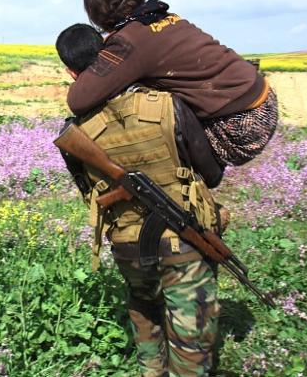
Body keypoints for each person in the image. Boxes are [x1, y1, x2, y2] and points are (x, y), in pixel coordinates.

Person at [56, 24, 223, 376]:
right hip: (182, 236)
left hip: (127, 240)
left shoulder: (78, 130)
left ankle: (151, 369)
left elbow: (89, 192)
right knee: (191, 327)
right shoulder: (165, 103)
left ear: (71, 72)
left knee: (145, 307)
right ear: (106, 54)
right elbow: (210, 170)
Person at [67, 0, 278, 168]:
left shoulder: (129, 41)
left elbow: (79, 100)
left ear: (97, 17)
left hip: (239, 125)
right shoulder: (164, 17)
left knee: (127, 135)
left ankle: (176, 201)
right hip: (262, 99)